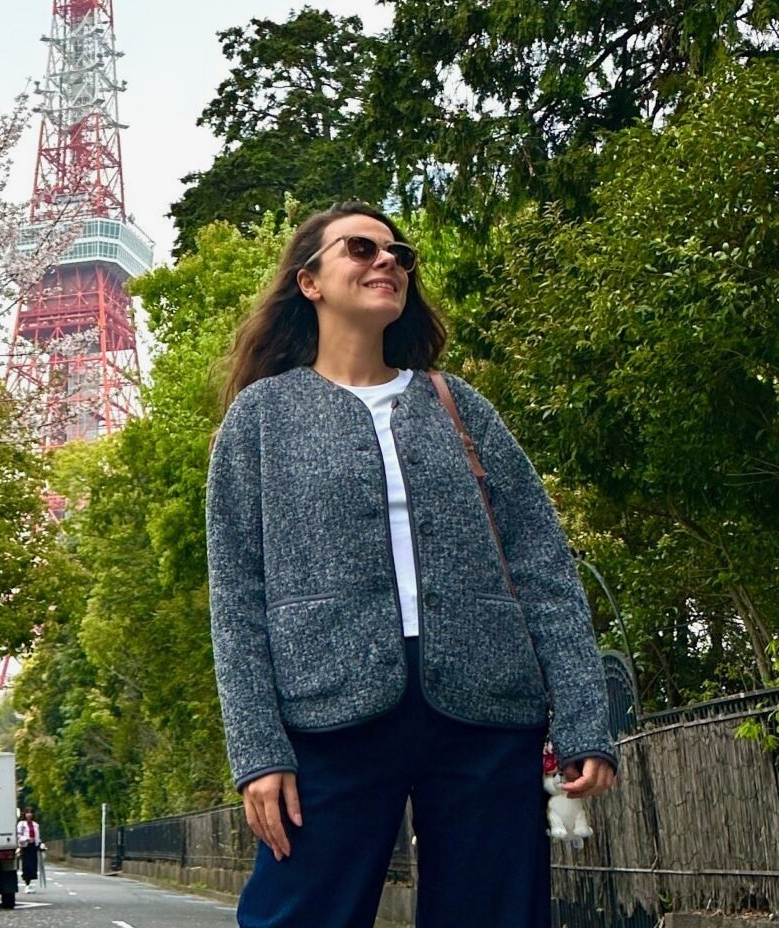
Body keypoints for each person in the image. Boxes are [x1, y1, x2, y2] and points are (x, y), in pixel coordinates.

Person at [205, 201, 617, 928]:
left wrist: (586, 717)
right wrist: (258, 750)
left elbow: (543, 565)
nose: (387, 261)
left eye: (399, 252)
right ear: (311, 281)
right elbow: (237, 596)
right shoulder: (261, 418)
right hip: (328, 714)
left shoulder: (458, 404)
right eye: (361, 249)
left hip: (487, 711)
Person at [16, 806, 43, 892]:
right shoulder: (21, 824)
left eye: (31, 813)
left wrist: (40, 844)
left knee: (33, 866)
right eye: (27, 813)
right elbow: (18, 836)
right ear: (25, 814)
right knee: (26, 866)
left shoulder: (35, 824)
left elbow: (38, 836)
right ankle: (26, 884)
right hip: (25, 847)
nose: (29, 815)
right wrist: (27, 839)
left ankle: (29, 883)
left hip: (33, 847)